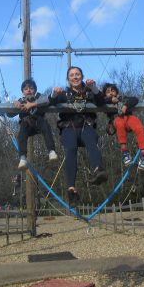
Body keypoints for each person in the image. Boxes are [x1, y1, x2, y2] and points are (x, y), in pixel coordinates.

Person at [50, 66, 106, 208]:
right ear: (68, 79)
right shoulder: (64, 94)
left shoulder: (88, 92)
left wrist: (93, 88)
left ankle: (98, 170)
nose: (75, 77)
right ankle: (71, 189)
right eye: (72, 75)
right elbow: (51, 103)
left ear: (82, 76)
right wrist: (54, 95)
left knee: (92, 142)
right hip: (69, 127)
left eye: (77, 74)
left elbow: (101, 101)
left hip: (86, 126)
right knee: (70, 149)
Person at [10, 78, 58, 170]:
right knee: (22, 134)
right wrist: (15, 104)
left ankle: (51, 151)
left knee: (45, 125)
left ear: (35, 90)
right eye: (26, 89)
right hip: (27, 123)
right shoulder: (21, 101)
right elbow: (10, 114)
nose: (28, 90)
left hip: (38, 121)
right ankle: (23, 157)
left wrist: (33, 104)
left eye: (31, 88)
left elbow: (46, 100)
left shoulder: (39, 97)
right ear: (22, 92)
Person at [103, 83, 144, 171]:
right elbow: (102, 101)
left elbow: (134, 99)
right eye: (108, 92)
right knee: (120, 123)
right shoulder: (105, 101)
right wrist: (111, 100)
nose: (111, 93)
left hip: (128, 118)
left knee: (138, 125)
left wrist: (125, 105)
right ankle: (125, 152)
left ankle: (143, 154)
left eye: (113, 91)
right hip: (117, 119)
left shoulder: (122, 99)